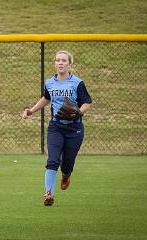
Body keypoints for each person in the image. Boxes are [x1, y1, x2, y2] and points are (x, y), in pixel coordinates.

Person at [22, 50, 92, 206]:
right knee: (52, 160)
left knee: (67, 164)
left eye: (63, 60)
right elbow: (46, 98)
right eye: (57, 60)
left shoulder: (77, 83)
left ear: (70, 64)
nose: (60, 63)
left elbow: (87, 102)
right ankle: (48, 194)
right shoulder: (50, 83)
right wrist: (31, 111)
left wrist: (78, 113)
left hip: (74, 129)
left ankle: (66, 175)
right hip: (56, 128)